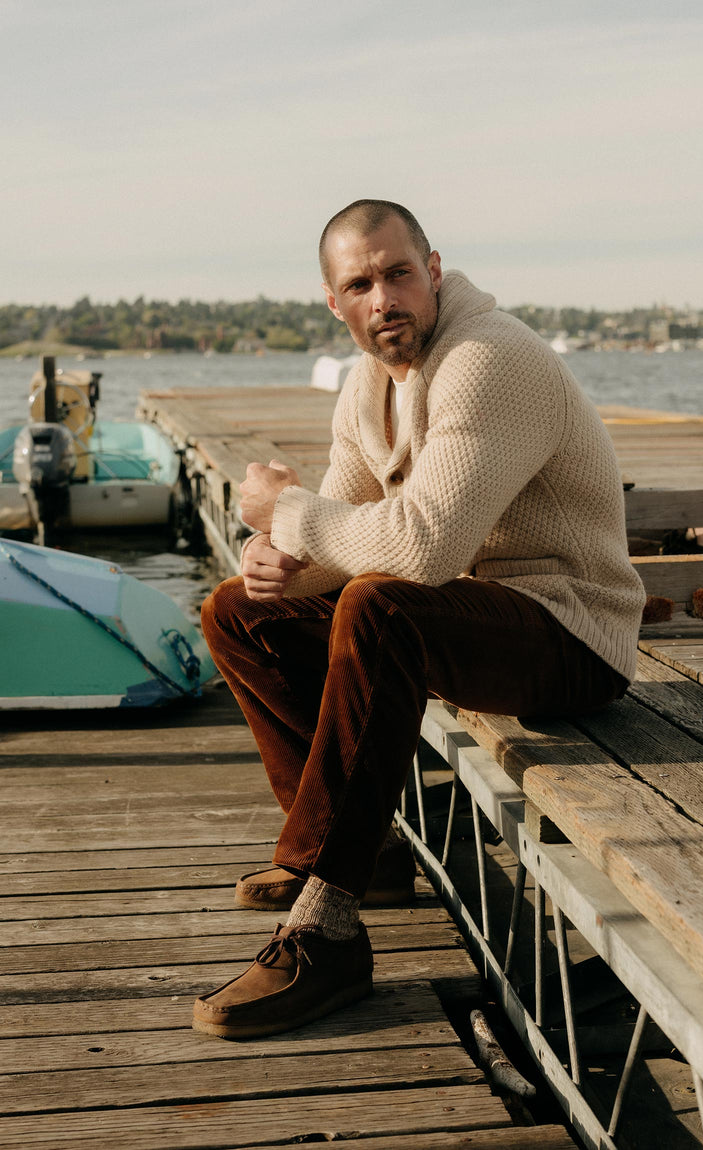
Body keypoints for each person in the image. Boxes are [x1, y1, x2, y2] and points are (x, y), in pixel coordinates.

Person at [192, 199, 646, 1040]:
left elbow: (423, 549)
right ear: (336, 303)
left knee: (379, 608)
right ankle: (366, 859)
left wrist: (287, 512)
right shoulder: (371, 387)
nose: (383, 299)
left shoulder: (488, 358)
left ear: (432, 270)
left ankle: (325, 930)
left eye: (398, 273)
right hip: (463, 617)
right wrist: (279, 559)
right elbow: (350, 532)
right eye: (359, 284)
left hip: (573, 633)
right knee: (237, 611)